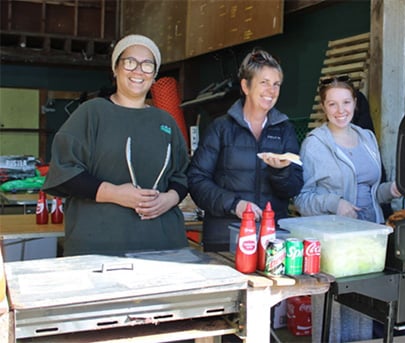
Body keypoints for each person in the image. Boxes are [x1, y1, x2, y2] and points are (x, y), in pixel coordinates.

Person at [42, 34, 191, 256]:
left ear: (154, 75)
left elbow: (183, 175)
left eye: (148, 65)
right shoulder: (92, 113)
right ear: (115, 68)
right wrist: (115, 193)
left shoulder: (165, 121)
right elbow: (65, 173)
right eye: (130, 62)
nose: (138, 71)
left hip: (163, 245)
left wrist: (168, 199)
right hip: (99, 245)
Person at [294, 75, 401, 342]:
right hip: (335, 244)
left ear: (355, 102)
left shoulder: (366, 138)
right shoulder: (315, 144)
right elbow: (301, 198)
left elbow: (371, 190)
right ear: (323, 107)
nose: (340, 111)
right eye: (332, 104)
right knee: (335, 316)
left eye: (345, 102)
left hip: (370, 239)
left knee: (364, 312)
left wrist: (392, 190)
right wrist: (335, 203)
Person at [186, 48, 303, 252]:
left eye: (276, 84)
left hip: (271, 242)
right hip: (225, 238)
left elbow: (294, 188)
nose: (271, 91)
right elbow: (196, 180)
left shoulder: (285, 130)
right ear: (246, 86)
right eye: (264, 82)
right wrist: (235, 204)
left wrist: (281, 171)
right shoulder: (221, 128)